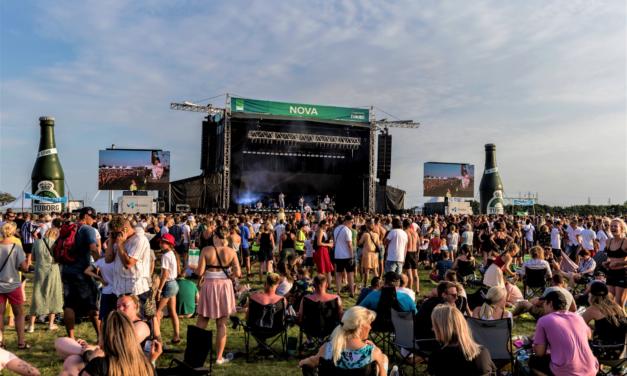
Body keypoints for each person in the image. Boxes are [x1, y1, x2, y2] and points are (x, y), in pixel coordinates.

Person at [195, 226, 241, 365]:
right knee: (221, 324)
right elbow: (238, 273)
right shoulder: (231, 251)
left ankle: (195, 353)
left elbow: (199, 272)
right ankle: (219, 358)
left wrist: (193, 268)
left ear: (215, 237)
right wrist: (228, 275)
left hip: (209, 284)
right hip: (224, 286)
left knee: (202, 320)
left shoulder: (206, 250)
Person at [299, 306, 388, 376]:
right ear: (361, 326)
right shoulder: (373, 352)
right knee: (384, 358)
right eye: (369, 323)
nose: (370, 327)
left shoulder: (327, 349)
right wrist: (380, 357)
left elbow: (305, 363)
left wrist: (304, 362)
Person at [530, 290, 598, 376]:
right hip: (591, 369)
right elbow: (589, 336)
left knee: (533, 362)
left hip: (567, 372)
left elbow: (539, 352)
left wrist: (534, 345)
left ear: (550, 303)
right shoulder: (578, 317)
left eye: (544, 303)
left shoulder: (544, 320)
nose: (543, 306)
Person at [79, 311, 160, 376]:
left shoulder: (99, 365)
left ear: (105, 336)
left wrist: (92, 359)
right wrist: (151, 361)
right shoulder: (147, 366)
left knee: (72, 361)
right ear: (130, 335)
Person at [62, 207, 100, 339]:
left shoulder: (70, 227)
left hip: (66, 271)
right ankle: (100, 337)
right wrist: (101, 265)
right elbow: (93, 249)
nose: (94, 221)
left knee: (69, 305)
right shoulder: (88, 229)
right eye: (93, 218)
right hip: (81, 272)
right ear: (86, 216)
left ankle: (71, 339)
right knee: (92, 305)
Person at [427, 304, 496, 376]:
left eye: (434, 325)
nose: (432, 329)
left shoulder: (436, 357)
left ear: (441, 329)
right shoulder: (481, 354)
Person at [0, 222, 30, 349]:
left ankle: (1, 341)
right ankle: (21, 342)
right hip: (13, 284)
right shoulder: (16, 247)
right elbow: (24, 267)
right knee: (19, 313)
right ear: (13, 232)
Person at [28, 226, 63, 332]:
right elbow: (59, 258)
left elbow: (33, 258)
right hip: (53, 270)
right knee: (54, 296)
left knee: (37, 295)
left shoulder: (37, 242)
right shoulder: (56, 244)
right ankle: (51, 324)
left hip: (40, 271)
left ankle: (31, 326)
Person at [154, 234, 181, 344]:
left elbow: (165, 274)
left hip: (169, 285)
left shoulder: (166, 256)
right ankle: (176, 336)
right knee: (172, 311)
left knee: (157, 313)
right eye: (160, 242)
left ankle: (156, 339)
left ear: (169, 244)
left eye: (163, 242)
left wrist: (159, 290)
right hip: (174, 284)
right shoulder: (172, 254)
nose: (161, 244)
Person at [602, 218, 627, 307]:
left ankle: (623, 320)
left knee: (619, 303)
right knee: (609, 301)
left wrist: (619, 264)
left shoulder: (625, 242)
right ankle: (614, 320)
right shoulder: (608, 241)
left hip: (623, 274)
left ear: (622, 228)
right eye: (611, 226)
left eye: (615, 226)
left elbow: (619, 261)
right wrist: (606, 263)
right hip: (611, 273)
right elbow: (610, 257)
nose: (613, 228)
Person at [333, 215, 356, 297]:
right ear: (347, 221)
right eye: (352, 222)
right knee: (350, 274)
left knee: (338, 274)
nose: (352, 224)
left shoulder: (336, 229)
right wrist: (352, 255)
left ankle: (338, 292)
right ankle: (352, 292)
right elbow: (350, 244)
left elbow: (335, 242)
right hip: (347, 256)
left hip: (338, 255)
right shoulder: (347, 230)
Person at [313, 220, 334, 289]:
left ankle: (327, 286)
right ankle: (322, 286)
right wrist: (328, 244)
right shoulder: (320, 231)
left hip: (323, 250)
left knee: (327, 269)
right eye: (326, 225)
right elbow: (319, 243)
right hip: (321, 251)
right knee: (323, 269)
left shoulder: (321, 231)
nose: (327, 226)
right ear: (322, 225)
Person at [358, 221, 380, 289]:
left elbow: (360, 243)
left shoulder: (365, 234)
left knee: (366, 271)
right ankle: (378, 284)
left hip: (367, 253)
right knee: (375, 270)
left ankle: (365, 285)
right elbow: (378, 245)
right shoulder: (376, 235)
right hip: (374, 254)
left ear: (367, 228)